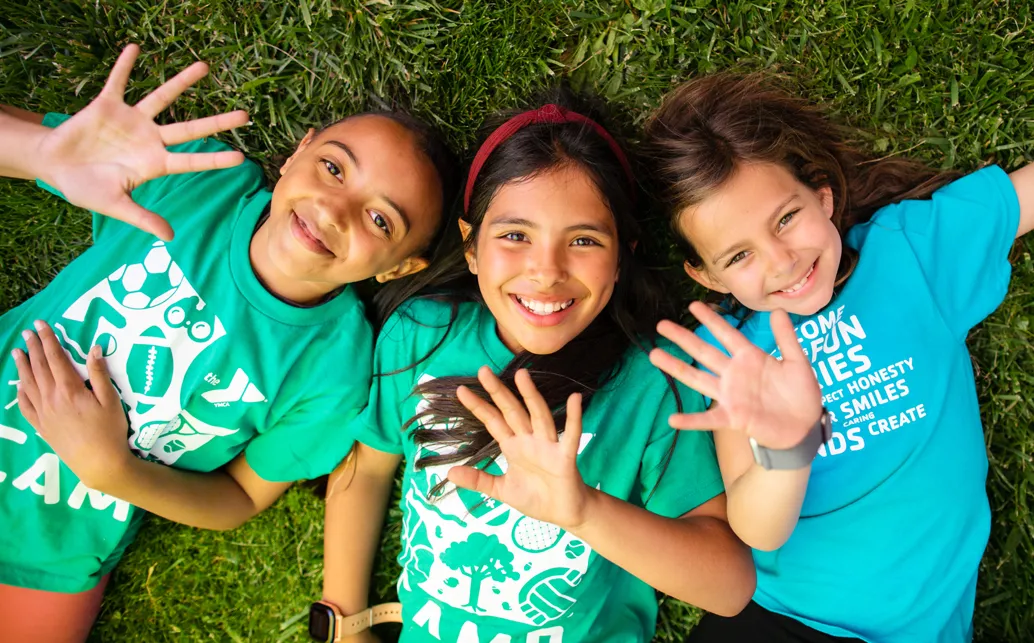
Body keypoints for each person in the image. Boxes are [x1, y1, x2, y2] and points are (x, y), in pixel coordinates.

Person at [0, 44, 456, 643]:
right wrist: (41, 154)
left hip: (54, 548)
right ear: (298, 151)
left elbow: (240, 496)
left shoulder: (335, 373)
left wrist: (113, 471)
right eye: (334, 167)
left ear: (398, 269)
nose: (334, 208)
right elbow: (46, 153)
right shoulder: (198, 182)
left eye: (380, 221)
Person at [316, 97, 756, 643]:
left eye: (584, 240)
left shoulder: (653, 383)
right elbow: (371, 467)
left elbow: (729, 586)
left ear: (622, 257)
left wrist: (584, 511)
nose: (546, 272)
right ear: (471, 246)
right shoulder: (420, 335)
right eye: (515, 235)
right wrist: (345, 624)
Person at [643, 72, 1034, 643]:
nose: (780, 261)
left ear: (822, 195)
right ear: (706, 275)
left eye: (786, 218)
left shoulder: (910, 253)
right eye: (739, 254)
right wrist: (789, 445)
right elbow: (757, 530)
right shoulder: (731, 356)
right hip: (785, 624)